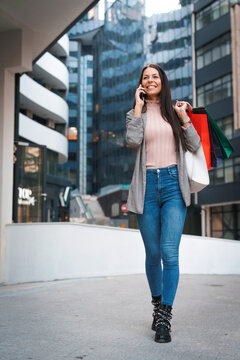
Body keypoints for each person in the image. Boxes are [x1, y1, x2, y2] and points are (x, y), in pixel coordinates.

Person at [125, 64, 201, 343]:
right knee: (153, 252)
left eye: (155, 76)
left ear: (162, 81)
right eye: (146, 77)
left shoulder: (175, 109)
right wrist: (137, 106)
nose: (150, 79)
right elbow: (133, 140)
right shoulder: (136, 114)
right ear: (141, 84)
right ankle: (157, 305)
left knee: (170, 253)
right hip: (146, 187)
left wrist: (184, 118)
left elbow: (194, 145)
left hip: (172, 185)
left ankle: (164, 319)